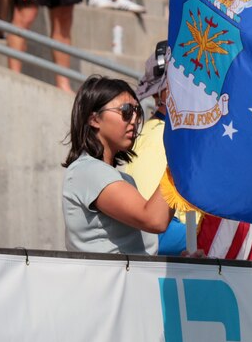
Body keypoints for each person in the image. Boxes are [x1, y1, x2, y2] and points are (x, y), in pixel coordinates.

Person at [62, 75, 174, 254]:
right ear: (94, 119)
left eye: (137, 111)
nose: (134, 119)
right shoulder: (87, 171)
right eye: (126, 110)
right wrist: (180, 164)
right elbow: (155, 219)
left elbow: (141, 248)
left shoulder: (121, 178)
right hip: (106, 281)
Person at [124, 43, 190, 255]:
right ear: (162, 91)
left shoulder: (164, 134)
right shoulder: (157, 138)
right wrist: (213, 240)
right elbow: (151, 231)